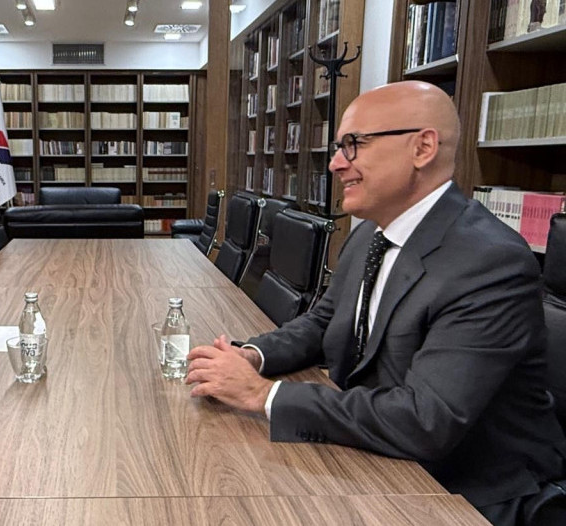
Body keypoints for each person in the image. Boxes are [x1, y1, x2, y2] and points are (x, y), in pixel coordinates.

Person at [186, 80, 566, 526]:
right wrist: (252, 355)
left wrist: (263, 395)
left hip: (465, 491)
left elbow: (427, 420)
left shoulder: (489, 262)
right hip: (375, 457)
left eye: (354, 145)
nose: (335, 163)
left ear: (422, 148)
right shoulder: (372, 231)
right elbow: (324, 321)